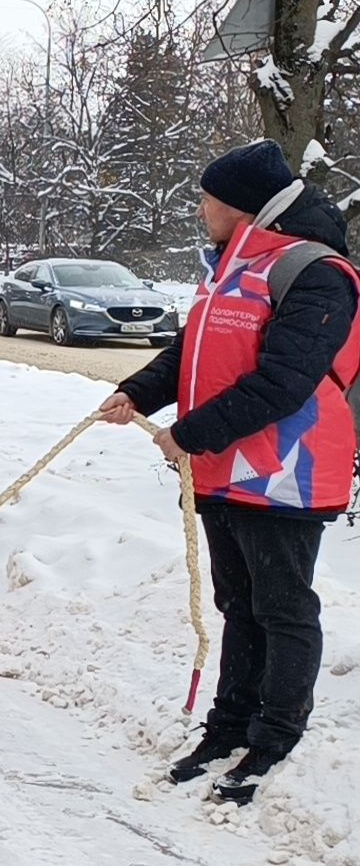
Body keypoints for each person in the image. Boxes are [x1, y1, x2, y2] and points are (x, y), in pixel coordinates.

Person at [102, 140, 360, 804]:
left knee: (281, 607)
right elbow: (189, 353)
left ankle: (277, 734)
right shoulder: (228, 269)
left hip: (285, 475)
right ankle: (229, 726)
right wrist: (138, 391)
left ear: (240, 206)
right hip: (221, 469)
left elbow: (285, 381)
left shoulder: (315, 271)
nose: (199, 208)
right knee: (238, 606)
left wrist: (188, 433)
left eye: (206, 197)